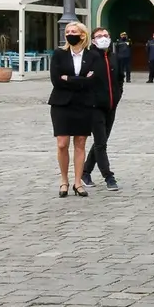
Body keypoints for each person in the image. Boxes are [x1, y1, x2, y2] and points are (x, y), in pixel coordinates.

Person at [48, 21, 95, 198]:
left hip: (83, 104)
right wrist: (81, 80)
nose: (69, 34)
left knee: (80, 142)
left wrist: (69, 79)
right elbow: (56, 80)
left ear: (83, 35)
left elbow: (93, 81)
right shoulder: (59, 54)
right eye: (67, 32)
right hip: (61, 103)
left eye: (73, 31)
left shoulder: (92, 55)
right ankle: (64, 181)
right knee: (62, 143)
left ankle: (77, 182)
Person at [82, 27, 123, 191]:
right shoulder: (88, 57)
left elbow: (120, 79)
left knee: (102, 141)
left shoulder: (114, 57)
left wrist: (118, 96)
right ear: (93, 40)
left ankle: (85, 171)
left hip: (111, 106)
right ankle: (108, 177)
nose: (103, 38)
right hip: (94, 107)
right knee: (101, 143)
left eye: (106, 35)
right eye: (99, 36)